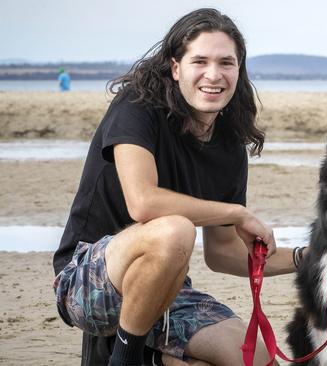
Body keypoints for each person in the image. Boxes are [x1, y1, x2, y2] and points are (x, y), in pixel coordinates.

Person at [52, 8, 296, 366]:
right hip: (87, 281)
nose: (214, 74)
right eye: (200, 61)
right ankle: (125, 357)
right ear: (176, 67)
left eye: (226, 63)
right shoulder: (137, 108)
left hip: (166, 293)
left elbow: (223, 252)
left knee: (256, 358)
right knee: (174, 229)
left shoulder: (229, 145)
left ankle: (153, 358)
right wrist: (236, 212)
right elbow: (143, 204)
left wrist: (312, 258)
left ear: (239, 70)